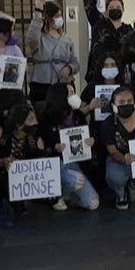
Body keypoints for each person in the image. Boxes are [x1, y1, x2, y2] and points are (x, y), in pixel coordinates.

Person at [0, 103, 44, 228]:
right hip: (1, 173)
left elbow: (40, 163)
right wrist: (2, 162)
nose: (35, 122)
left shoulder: (34, 137)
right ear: (19, 125)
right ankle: (1, 208)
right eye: (31, 120)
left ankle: (17, 202)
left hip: (23, 178)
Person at [38, 83, 100, 211]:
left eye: (74, 92)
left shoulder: (78, 116)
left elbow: (86, 138)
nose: (75, 96)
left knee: (93, 203)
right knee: (75, 180)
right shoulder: (45, 119)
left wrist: (91, 141)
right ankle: (55, 194)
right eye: (71, 93)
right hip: (57, 164)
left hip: (75, 161)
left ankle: (69, 193)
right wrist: (54, 147)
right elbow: (41, 149)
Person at [79, 52, 123, 187]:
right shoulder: (91, 88)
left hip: (118, 133)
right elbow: (77, 114)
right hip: (96, 134)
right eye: (106, 65)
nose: (110, 68)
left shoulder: (124, 87)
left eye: (113, 65)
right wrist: (90, 107)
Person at [27, 0, 80, 104]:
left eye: (60, 16)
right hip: (42, 83)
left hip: (63, 83)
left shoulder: (66, 39)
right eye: (56, 16)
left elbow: (75, 62)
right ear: (48, 17)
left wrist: (69, 69)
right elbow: (32, 38)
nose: (59, 19)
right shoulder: (40, 37)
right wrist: (38, 13)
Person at [83, 0, 133, 81]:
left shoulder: (129, 31)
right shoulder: (99, 24)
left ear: (123, 10)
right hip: (98, 74)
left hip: (121, 76)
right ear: (106, 11)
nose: (115, 9)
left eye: (118, 7)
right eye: (112, 7)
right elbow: (88, 3)